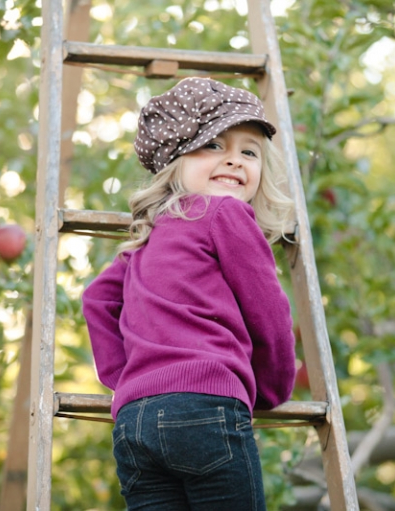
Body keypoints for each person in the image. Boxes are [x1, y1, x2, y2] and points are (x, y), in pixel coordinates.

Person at [82, 77, 297, 511]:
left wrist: (128, 381)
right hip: (207, 408)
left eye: (249, 152)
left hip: (133, 423)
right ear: (175, 161)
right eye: (214, 145)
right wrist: (271, 389)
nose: (235, 161)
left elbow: (96, 301)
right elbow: (268, 310)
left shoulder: (147, 238)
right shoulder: (226, 213)